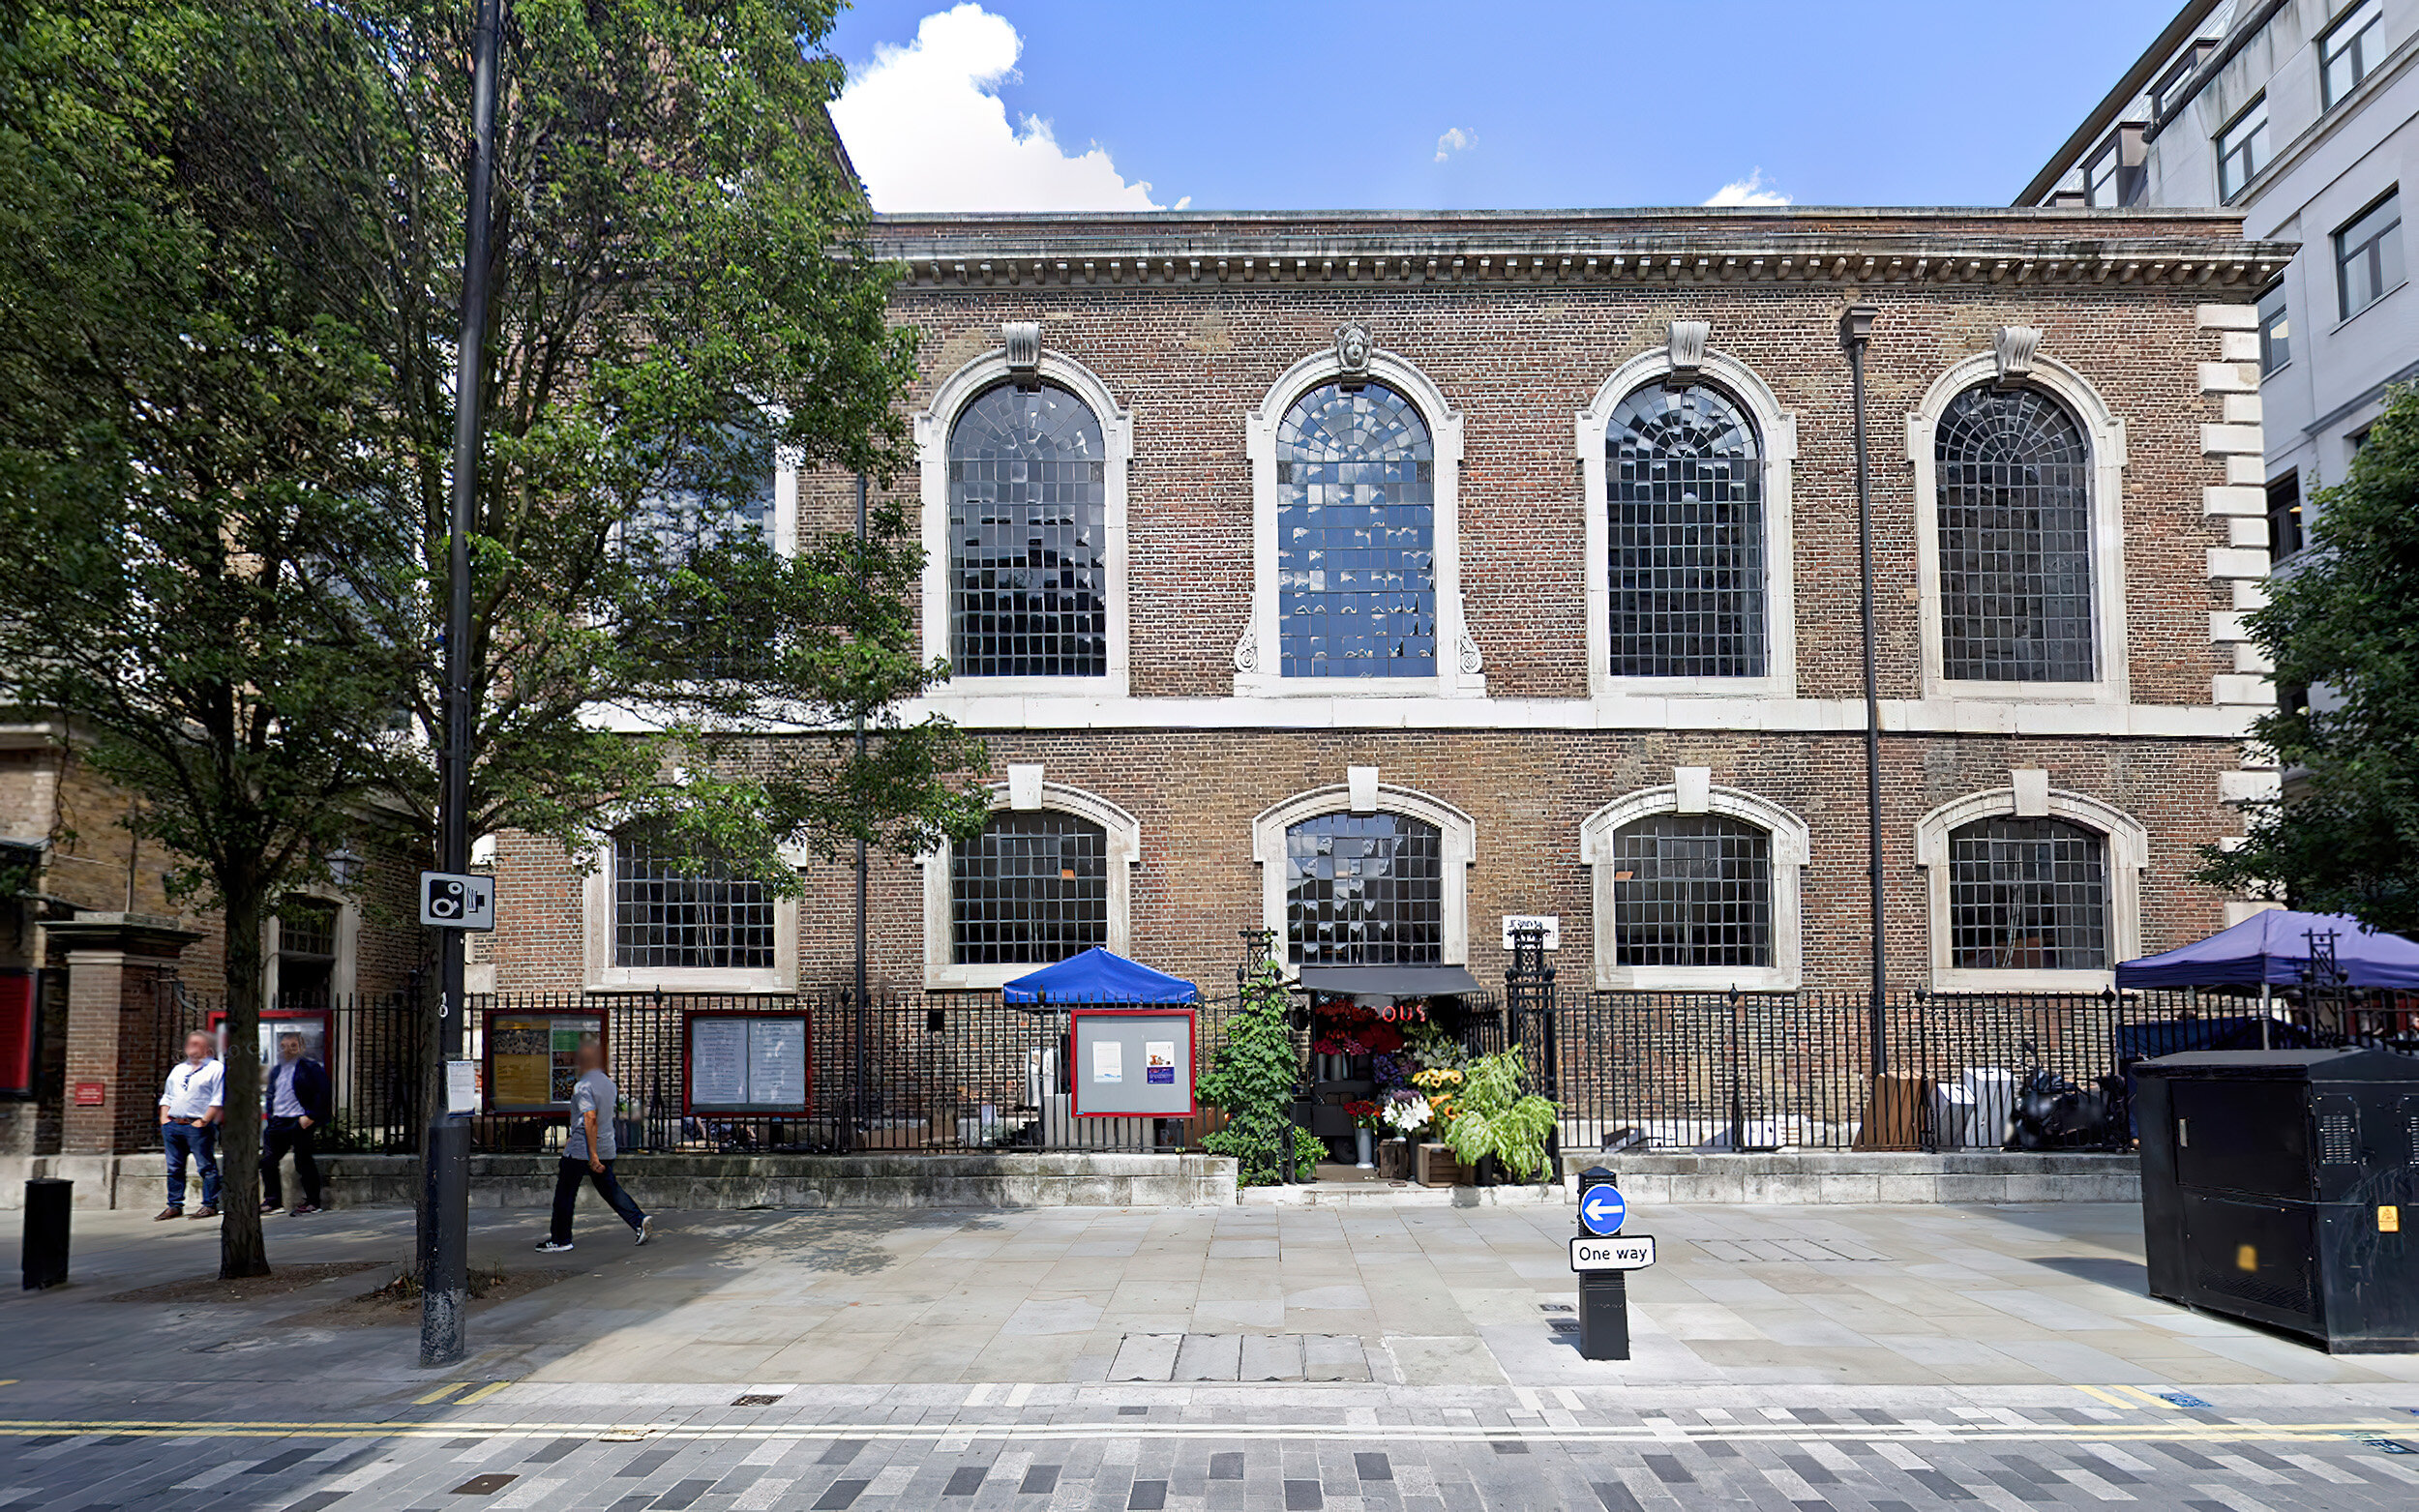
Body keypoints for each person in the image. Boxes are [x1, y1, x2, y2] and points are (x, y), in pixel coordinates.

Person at [536, 1037, 647, 1252]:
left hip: (583, 1150)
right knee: (610, 1189)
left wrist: (592, 1156)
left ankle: (560, 1239)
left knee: (565, 1193)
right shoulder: (608, 1083)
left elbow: (590, 1118)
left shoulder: (582, 1086)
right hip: (607, 1145)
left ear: (583, 1061)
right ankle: (638, 1220)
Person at [260, 1031, 330, 1216]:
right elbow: (271, 1093)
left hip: (300, 1121)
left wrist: (311, 1116)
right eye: (284, 1046)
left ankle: (313, 1202)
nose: (288, 1050)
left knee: (303, 1161)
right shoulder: (277, 1069)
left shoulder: (310, 1068)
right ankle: (273, 1201)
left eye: (293, 1046)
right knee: (267, 1161)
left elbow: (323, 1094)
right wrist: (271, 1115)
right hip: (278, 1121)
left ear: (302, 1048)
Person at [157, 1030, 224, 1221]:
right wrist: (164, 1118)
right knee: (174, 1168)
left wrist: (203, 1121)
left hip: (197, 1126)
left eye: (196, 1043)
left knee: (205, 1167)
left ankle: (210, 1204)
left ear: (207, 1048)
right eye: (189, 1043)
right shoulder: (179, 1069)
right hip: (173, 1125)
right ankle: (174, 1205)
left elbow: (218, 1097)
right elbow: (168, 1095)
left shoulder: (215, 1068)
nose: (190, 1047)